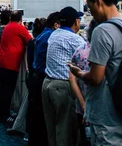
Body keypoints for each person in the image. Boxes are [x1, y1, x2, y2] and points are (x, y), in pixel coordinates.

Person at [68, 0, 122, 145]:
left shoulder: (102, 31)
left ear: (98, 2)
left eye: (89, 7)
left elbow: (96, 78)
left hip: (106, 112)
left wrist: (78, 73)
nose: (90, 12)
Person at [42, 7, 85, 146]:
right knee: (66, 131)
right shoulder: (76, 40)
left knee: (52, 129)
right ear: (76, 22)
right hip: (63, 86)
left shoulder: (54, 34)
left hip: (47, 84)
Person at [27, 12, 60, 146]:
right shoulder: (51, 36)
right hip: (41, 78)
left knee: (36, 113)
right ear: (56, 24)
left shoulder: (41, 36)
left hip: (35, 77)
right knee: (42, 115)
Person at [0, 10, 32, 124]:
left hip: (1, 61)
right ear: (21, 20)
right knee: (8, 90)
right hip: (10, 63)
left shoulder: (8, 27)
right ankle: (4, 115)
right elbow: (30, 41)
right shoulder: (19, 28)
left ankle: (0, 114)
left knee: (3, 90)